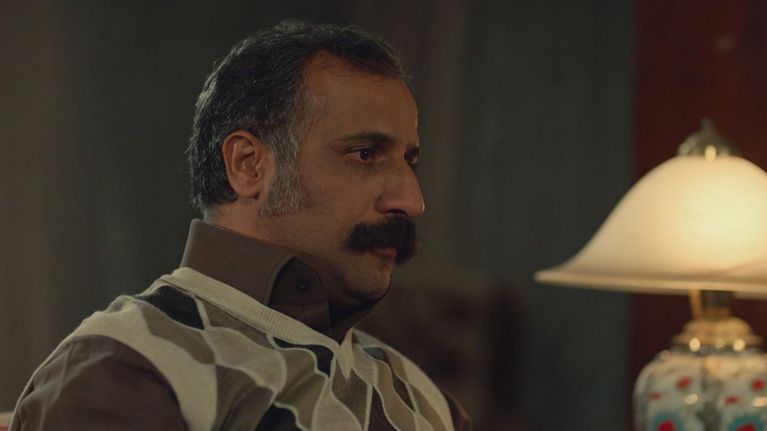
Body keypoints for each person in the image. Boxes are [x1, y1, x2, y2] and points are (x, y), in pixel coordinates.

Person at [9, 21, 470, 431]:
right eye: (365, 154)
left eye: (409, 161)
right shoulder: (127, 371)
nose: (411, 201)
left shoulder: (427, 401)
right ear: (248, 165)